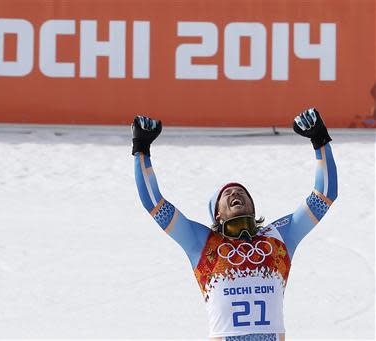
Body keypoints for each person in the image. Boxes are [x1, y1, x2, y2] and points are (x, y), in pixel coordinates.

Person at [132, 108, 338, 341]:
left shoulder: (278, 236)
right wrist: (141, 149)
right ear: (217, 214)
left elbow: (324, 196)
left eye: (241, 192)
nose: (235, 193)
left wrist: (319, 139)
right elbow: (155, 205)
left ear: (252, 206)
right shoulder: (202, 242)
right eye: (227, 193)